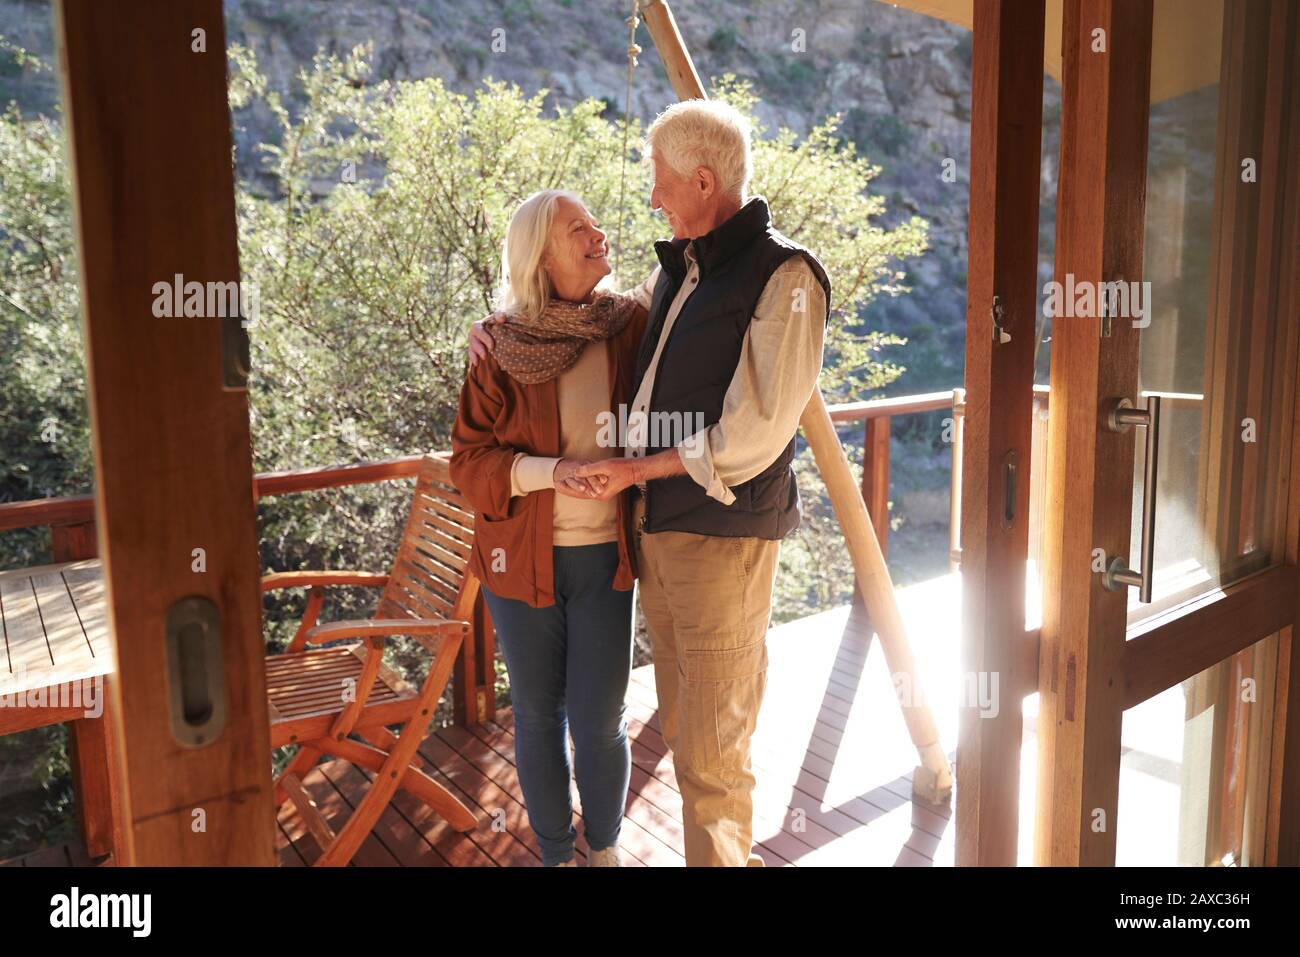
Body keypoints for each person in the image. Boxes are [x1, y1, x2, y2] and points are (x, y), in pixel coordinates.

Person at [470, 100, 830, 867]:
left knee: (704, 747)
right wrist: (563, 470)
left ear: (704, 180)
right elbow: (478, 453)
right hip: (640, 541)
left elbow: (755, 429)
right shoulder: (673, 280)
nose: (652, 201)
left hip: (694, 542)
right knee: (663, 730)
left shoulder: (766, 279)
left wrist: (634, 469)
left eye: (662, 184)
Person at [449, 189, 647, 867]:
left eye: (596, 223)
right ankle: (558, 853)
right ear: (540, 256)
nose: (599, 234)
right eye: (578, 229)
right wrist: (549, 472)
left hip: (607, 562)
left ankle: (607, 848)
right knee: (537, 716)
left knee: (600, 722)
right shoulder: (499, 347)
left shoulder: (630, 329)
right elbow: (468, 463)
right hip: (518, 565)